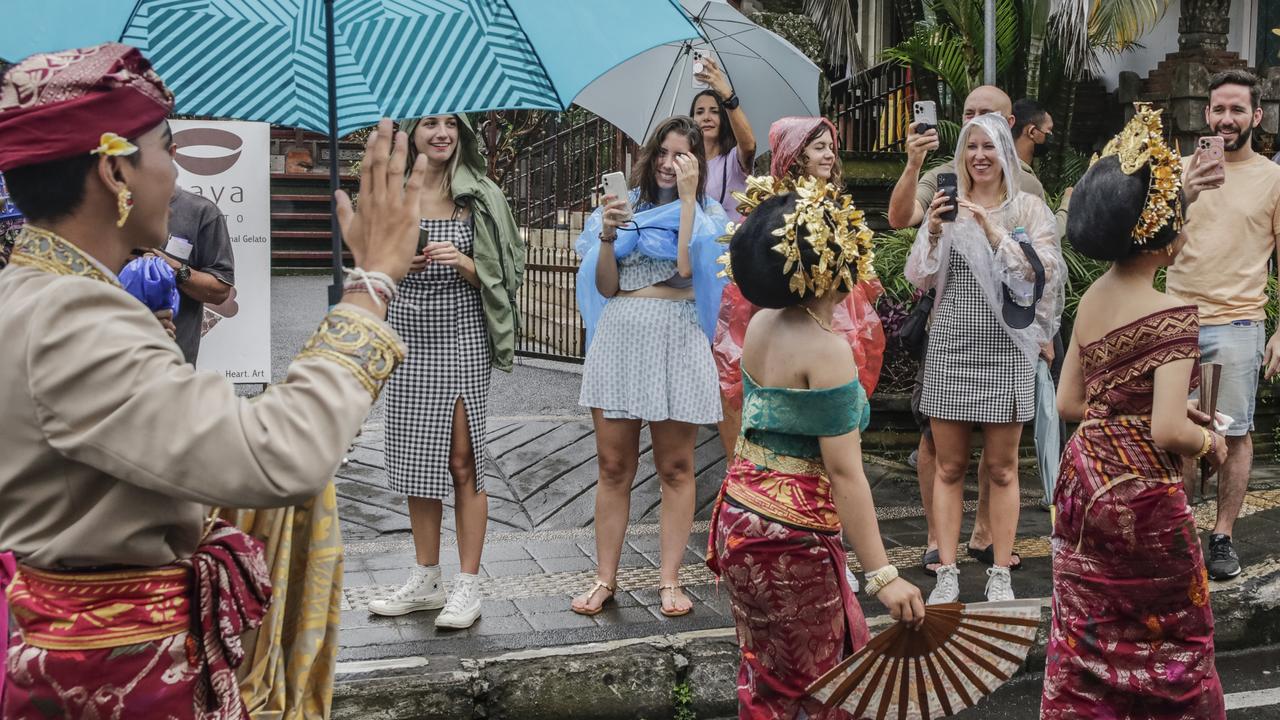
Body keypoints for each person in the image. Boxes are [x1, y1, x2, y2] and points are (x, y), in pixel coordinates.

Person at [0, 43, 424, 717]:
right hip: (120, 680)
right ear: (115, 171)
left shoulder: (36, 293)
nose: (175, 171)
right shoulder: (71, 318)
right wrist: (370, 283)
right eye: (166, 149)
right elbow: (276, 453)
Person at [708, 178, 923, 718]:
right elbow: (846, 473)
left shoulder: (759, 325)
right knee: (819, 678)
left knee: (765, 668)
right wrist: (883, 575)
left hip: (739, 513)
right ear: (833, 264)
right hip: (791, 530)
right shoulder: (827, 352)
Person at [1042, 102, 1227, 719]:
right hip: (1141, 493)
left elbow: (1071, 401)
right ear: (1167, 233)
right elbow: (1168, 427)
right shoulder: (1171, 313)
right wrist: (1210, 444)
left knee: (1087, 632)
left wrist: (1122, 410)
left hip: (1083, 476)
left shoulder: (1093, 295)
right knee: (1169, 637)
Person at [366, 114, 524, 629]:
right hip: (408, 337)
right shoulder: (395, 193)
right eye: (430, 123)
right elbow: (369, 267)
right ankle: (426, 578)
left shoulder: (479, 195)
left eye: (450, 124)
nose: (441, 133)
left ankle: (468, 584)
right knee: (417, 458)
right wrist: (395, 264)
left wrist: (461, 259)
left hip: (461, 336)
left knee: (463, 459)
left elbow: (506, 274)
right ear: (412, 132)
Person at [906, 112, 1065, 604]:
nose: (979, 156)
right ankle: (948, 570)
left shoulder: (1029, 209)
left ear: (1006, 153)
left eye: (989, 146)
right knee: (949, 467)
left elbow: (1044, 278)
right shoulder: (946, 206)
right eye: (971, 146)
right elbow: (920, 277)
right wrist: (933, 232)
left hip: (1009, 348)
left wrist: (993, 232)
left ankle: (1000, 571)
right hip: (953, 346)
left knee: (1002, 469)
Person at [571, 116, 727, 617]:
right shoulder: (622, 210)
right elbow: (606, 287)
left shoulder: (707, 214)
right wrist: (611, 237)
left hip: (677, 337)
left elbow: (686, 267)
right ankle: (603, 579)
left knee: (676, 468)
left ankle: (669, 581)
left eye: (681, 155)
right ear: (648, 156)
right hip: (621, 336)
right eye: (662, 152)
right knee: (614, 466)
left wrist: (686, 200)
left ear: (696, 163)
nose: (667, 163)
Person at [713, 116, 885, 458]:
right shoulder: (774, 216)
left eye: (831, 148)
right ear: (796, 155)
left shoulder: (835, 207)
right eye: (819, 148)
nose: (829, 156)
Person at [1165, 69, 1280, 581]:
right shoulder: (1177, 170)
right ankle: (1181, 531)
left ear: (1256, 115)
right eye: (1218, 110)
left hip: (1236, 323)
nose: (1226, 119)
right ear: (1205, 115)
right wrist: (1184, 190)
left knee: (1232, 435)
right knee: (1180, 433)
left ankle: (1223, 535)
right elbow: (1151, 242)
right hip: (1176, 321)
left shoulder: (1274, 179)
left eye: (1237, 109)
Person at [149, 187, 234, 364]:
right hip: (112, 360)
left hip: (174, 361)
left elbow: (220, 291)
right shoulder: (104, 206)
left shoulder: (201, 211)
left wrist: (174, 269)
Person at [690, 54, 755, 225]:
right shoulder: (686, 163)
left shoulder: (734, 159)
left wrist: (727, 95)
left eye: (714, 111)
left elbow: (748, 146)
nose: (706, 117)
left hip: (732, 246)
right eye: (699, 112)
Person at [1012, 98, 1054, 166]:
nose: (1051, 134)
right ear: (1032, 132)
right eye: (1049, 129)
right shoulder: (1021, 175)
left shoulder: (998, 168)